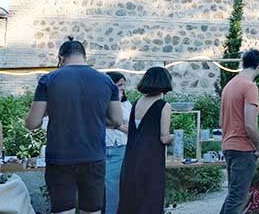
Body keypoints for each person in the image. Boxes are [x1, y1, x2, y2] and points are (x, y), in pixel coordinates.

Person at [25, 38, 122, 214]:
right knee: (91, 211)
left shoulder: (48, 80)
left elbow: (32, 123)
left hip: (60, 157)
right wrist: (95, 118)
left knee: (63, 211)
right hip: (93, 156)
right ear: (84, 56)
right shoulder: (106, 81)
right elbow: (117, 121)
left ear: (61, 58)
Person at [117, 67, 174, 214]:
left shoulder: (137, 102)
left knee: (131, 202)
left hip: (131, 159)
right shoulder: (164, 106)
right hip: (151, 161)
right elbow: (164, 137)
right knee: (150, 203)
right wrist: (176, 137)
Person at [220, 49, 259, 214]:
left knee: (233, 196)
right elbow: (250, 125)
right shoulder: (250, 87)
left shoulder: (229, 86)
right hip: (243, 148)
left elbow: (222, 120)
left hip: (228, 145)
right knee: (238, 198)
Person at [104, 72, 131, 214]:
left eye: (123, 84)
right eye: (119, 85)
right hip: (105, 144)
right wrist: (119, 126)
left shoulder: (126, 103)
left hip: (121, 145)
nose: (122, 87)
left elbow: (131, 124)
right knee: (109, 187)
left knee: (116, 186)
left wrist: (116, 125)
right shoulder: (102, 100)